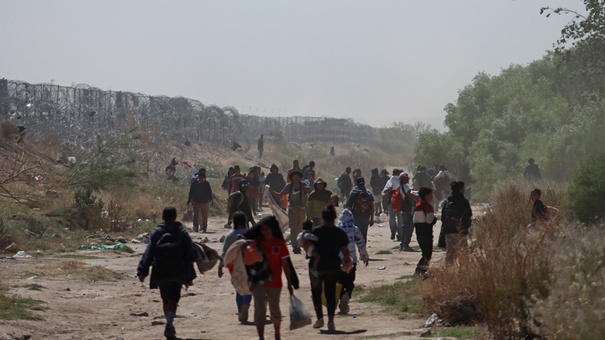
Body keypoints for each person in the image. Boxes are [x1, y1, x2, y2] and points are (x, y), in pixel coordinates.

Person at [137, 207, 197, 339]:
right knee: (174, 297)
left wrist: (142, 271)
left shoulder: (156, 233)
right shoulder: (182, 232)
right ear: (175, 217)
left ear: (163, 217)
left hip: (160, 271)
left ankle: (168, 321)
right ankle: (169, 323)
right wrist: (190, 273)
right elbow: (190, 253)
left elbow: (149, 253)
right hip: (178, 271)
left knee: (165, 298)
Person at [244, 216, 295, 340]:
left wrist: (289, 282)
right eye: (262, 229)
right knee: (259, 309)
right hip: (258, 282)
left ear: (272, 229)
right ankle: (261, 337)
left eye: (267, 229)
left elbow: (286, 264)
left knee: (274, 309)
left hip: (275, 282)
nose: (265, 232)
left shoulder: (280, 244)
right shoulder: (256, 243)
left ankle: (277, 334)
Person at [310, 205, 352, 331]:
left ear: (322, 217)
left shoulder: (316, 231)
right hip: (333, 266)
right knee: (330, 293)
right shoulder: (340, 233)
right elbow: (345, 253)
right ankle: (331, 321)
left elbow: (310, 248)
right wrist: (347, 263)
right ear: (334, 217)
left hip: (317, 267)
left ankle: (319, 318)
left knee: (316, 292)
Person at [218, 211, 252, 322]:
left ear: (234, 222)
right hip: (249, 264)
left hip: (234, 266)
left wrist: (220, 266)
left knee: (238, 287)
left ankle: (240, 310)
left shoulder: (230, 235)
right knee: (248, 287)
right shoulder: (251, 233)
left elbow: (224, 252)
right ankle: (246, 304)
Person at [336, 209, 369, 315]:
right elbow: (361, 243)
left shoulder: (336, 230)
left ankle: (342, 298)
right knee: (349, 281)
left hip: (338, 261)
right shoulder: (354, 229)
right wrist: (364, 256)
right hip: (351, 260)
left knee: (339, 281)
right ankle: (347, 294)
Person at [271, 170, 312, 254]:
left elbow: (310, 191)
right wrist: (270, 191)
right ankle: (295, 246)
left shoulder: (303, 185)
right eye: (294, 177)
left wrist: (308, 189)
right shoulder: (289, 186)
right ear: (292, 178)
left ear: (299, 177)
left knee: (300, 228)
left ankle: (298, 244)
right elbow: (280, 195)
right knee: (293, 228)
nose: (296, 178)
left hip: (302, 209)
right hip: (292, 210)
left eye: (297, 177)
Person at [441, 181, 473, 265]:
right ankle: (464, 271)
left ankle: (448, 271)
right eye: (463, 188)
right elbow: (468, 215)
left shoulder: (447, 201)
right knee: (463, 252)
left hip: (449, 231)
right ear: (460, 189)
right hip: (461, 231)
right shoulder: (464, 201)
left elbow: (443, 217)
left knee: (450, 252)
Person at [413, 188, 437, 277]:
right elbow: (430, 220)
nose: (431, 196)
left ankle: (421, 271)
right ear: (426, 196)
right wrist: (435, 219)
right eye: (430, 194)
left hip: (419, 231)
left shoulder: (417, 205)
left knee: (424, 252)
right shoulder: (428, 206)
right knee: (427, 254)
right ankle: (420, 271)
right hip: (426, 232)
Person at [347, 177, 375, 242]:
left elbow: (349, 207)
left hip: (356, 216)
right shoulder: (368, 193)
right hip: (366, 216)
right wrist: (372, 219)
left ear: (356, 183)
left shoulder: (353, 192)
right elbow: (372, 207)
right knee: (364, 234)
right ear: (364, 183)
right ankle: (363, 250)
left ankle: (359, 247)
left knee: (357, 233)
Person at [397, 173, 417, 252]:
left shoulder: (401, 187)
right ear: (403, 179)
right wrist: (417, 200)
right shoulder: (405, 187)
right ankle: (405, 245)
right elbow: (410, 195)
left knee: (405, 227)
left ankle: (402, 244)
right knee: (409, 227)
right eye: (406, 178)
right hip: (407, 209)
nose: (408, 179)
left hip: (404, 209)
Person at [382, 169, 402, 241]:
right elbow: (385, 192)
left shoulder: (401, 181)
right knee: (394, 219)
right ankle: (393, 232)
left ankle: (399, 234)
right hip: (392, 203)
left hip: (399, 203)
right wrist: (390, 189)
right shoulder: (390, 181)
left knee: (398, 219)